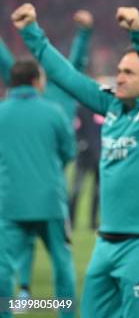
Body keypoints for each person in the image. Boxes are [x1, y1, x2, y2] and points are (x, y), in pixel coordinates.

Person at [12, 3, 139, 318]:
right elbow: (66, 76)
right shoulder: (110, 106)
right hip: (105, 244)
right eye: (119, 71)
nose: (118, 77)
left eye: (128, 73)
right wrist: (31, 32)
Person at [0, 59, 76, 318]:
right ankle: (66, 314)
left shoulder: (1, 112)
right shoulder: (54, 112)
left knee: (3, 268)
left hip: (11, 203)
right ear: (36, 80)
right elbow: (69, 152)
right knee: (62, 264)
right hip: (50, 202)